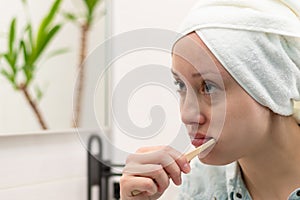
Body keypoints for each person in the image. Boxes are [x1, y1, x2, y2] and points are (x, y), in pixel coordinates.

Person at [120, 0, 300, 199]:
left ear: (272, 87)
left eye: (208, 87)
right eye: (180, 85)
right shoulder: (200, 183)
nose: (186, 115)